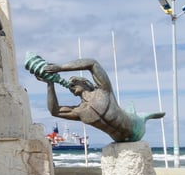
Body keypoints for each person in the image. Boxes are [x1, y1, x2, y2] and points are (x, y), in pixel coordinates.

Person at [37, 56, 165, 142]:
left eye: (75, 81)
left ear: (86, 83)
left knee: (139, 116)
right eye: (70, 84)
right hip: (118, 139)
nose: (71, 84)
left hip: (135, 130)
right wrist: (50, 84)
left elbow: (92, 64)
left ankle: (145, 116)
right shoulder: (80, 111)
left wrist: (60, 68)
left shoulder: (103, 90)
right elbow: (55, 111)